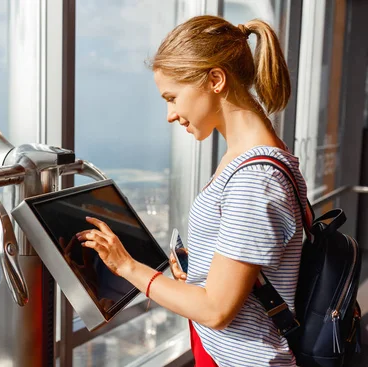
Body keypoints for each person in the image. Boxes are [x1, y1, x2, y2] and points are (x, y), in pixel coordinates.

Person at [76, 15, 308, 367]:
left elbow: (215, 311)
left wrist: (127, 267)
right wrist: (199, 267)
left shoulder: (254, 178)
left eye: (172, 97)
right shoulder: (248, 157)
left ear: (215, 79)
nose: (170, 114)